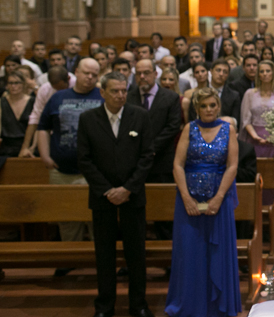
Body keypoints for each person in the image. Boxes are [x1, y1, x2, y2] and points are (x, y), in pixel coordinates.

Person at [76, 72, 154, 317]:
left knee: (136, 253)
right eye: (115, 91)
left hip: (133, 196)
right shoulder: (88, 119)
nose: (121, 95)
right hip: (103, 198)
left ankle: (139, 304)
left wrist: (128, 188)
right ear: (102, 92)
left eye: (124, 90)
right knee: (104, 254)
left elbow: (146, 156)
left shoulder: (139, 116)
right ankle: (104, 305)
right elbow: (84, 159)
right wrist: (108, 190)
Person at [166, 87, 241, 317]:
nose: (209, 110)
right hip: (188, 202)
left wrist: (218, 198)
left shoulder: (228, 129)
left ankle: (218, 306)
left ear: (218, 106)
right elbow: (177, 165)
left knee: (218, 253)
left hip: (220, 201)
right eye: (204, 106)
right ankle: (189, 305)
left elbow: (232, 166)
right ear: (196, 108)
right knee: (189, 253)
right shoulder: (190, 129)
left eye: (213, 105)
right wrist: (187, 198)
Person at [37, 58, 104, 247]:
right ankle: (69, 258)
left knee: (95, 218)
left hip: (94, 172)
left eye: (94, 75)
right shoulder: (58, 97)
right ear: (76, 72)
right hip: (61, 171)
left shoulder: (102, 97)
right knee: (66, 217)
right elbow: (43, 127)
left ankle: (98, 259)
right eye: (86, 73)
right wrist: (45, 156)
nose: (90, 78)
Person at [126, 59, 182, 240]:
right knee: (135, 213)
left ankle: (168, 261)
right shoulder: (128, 96)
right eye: (139, 73)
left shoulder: (170, 97)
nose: (143, 77)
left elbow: (173, 127)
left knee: (164, 213)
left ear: (155, 74)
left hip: (162, 162)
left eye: (146, 73)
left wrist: (150, 149)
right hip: (134, 163)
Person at [239, 59, 274, 158]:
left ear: (273, 73)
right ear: (258, 75)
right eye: (262, 71)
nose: (265, 74)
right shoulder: (250, 93)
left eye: (268, 71)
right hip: (253, 138)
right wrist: (256, 137)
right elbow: (246, 119)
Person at [20, 66, 73, 157]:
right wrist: (25, 147)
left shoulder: (78, 85)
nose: (60, 93)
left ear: (68, 79)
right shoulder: (45, 89)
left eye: (61, 89)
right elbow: (35, 117)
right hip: (53, 135)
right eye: (56, 89)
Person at [0, 70, 36, 156]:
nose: (13, 86)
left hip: (28, 146)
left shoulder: (33, 102)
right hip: (7, 147)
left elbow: (38, 127)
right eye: (10, 83)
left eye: (16, 83)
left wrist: (31, 147)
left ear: (23, 84)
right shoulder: (1, 102)